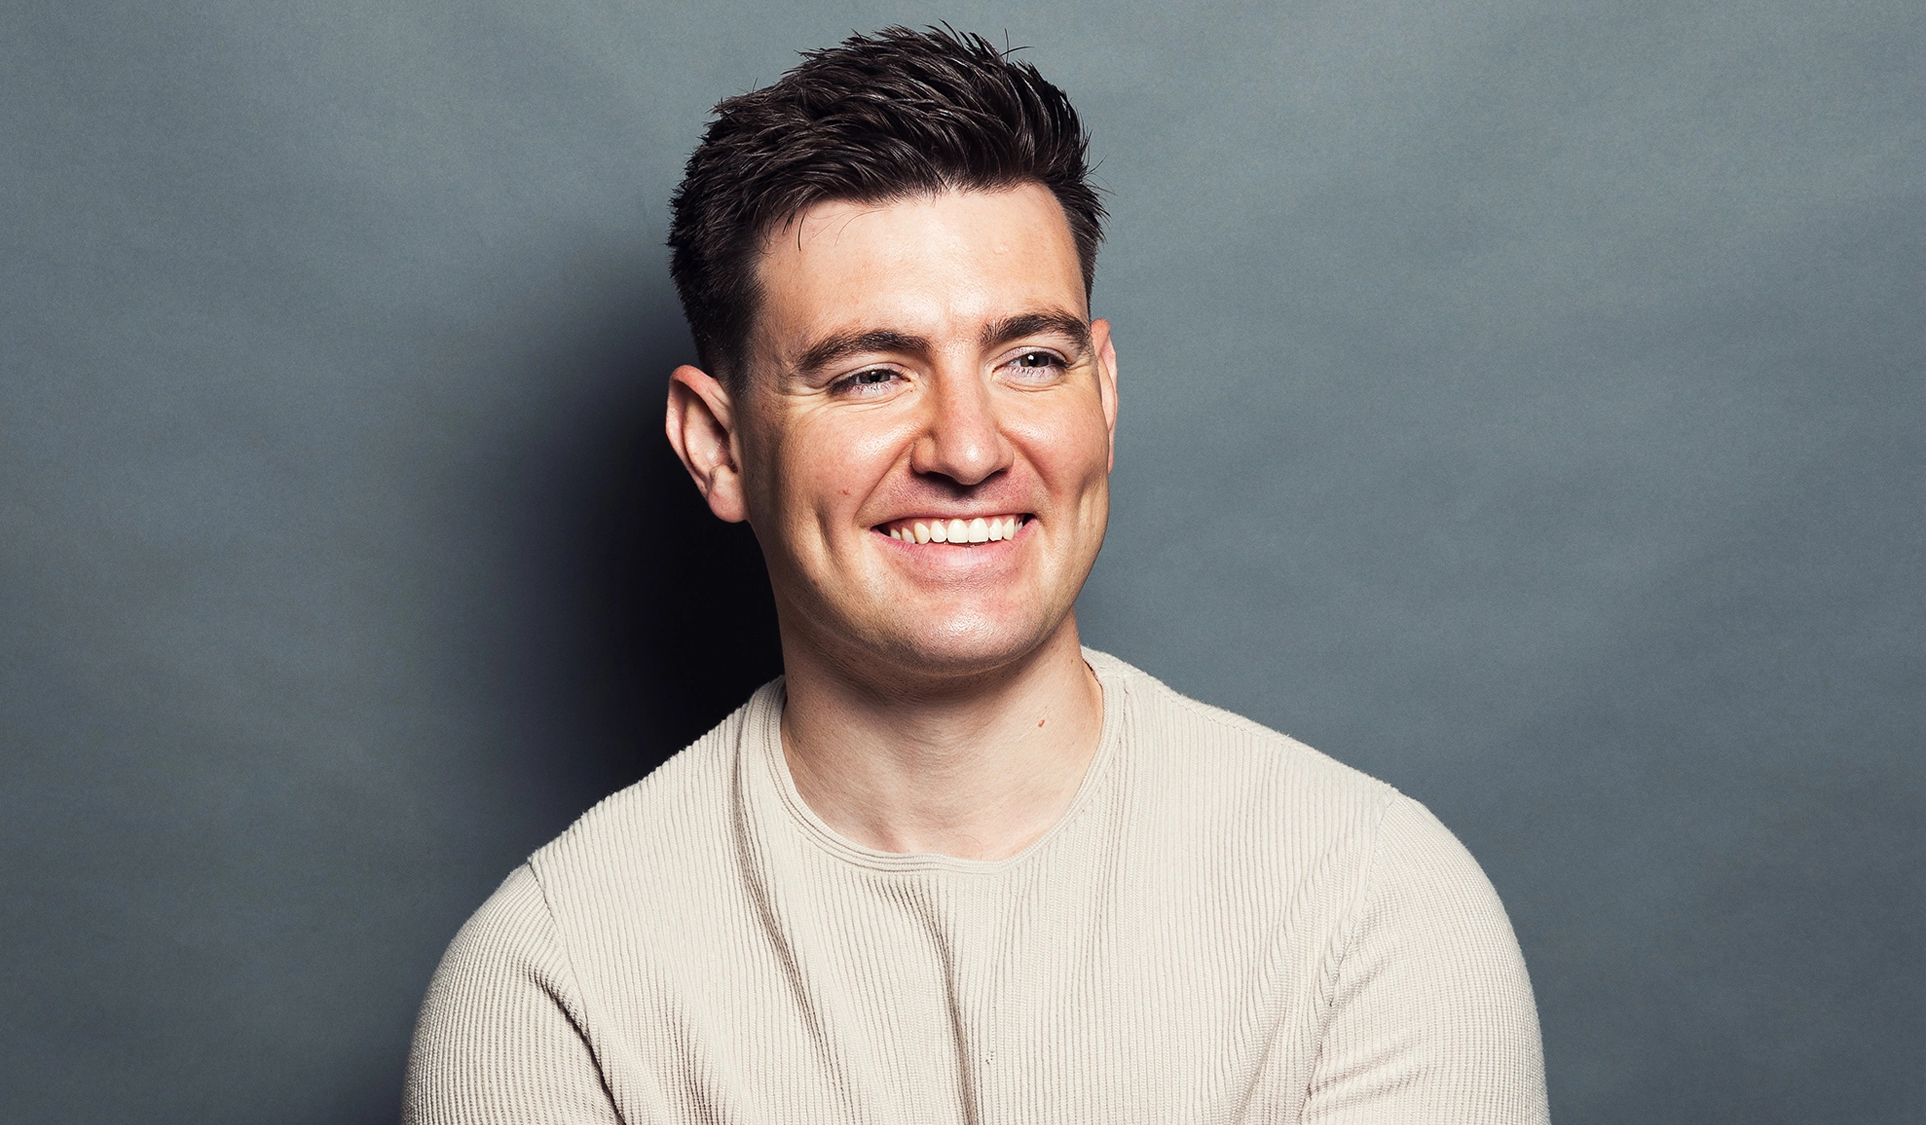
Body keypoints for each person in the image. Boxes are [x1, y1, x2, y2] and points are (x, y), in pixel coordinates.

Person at [404, 26, 1547, 1124]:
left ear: (1101, 393)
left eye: (1029, 360)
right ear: (718, 446)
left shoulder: (1370, 907)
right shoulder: (552, 989)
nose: (967, 448)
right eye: (867, 375)